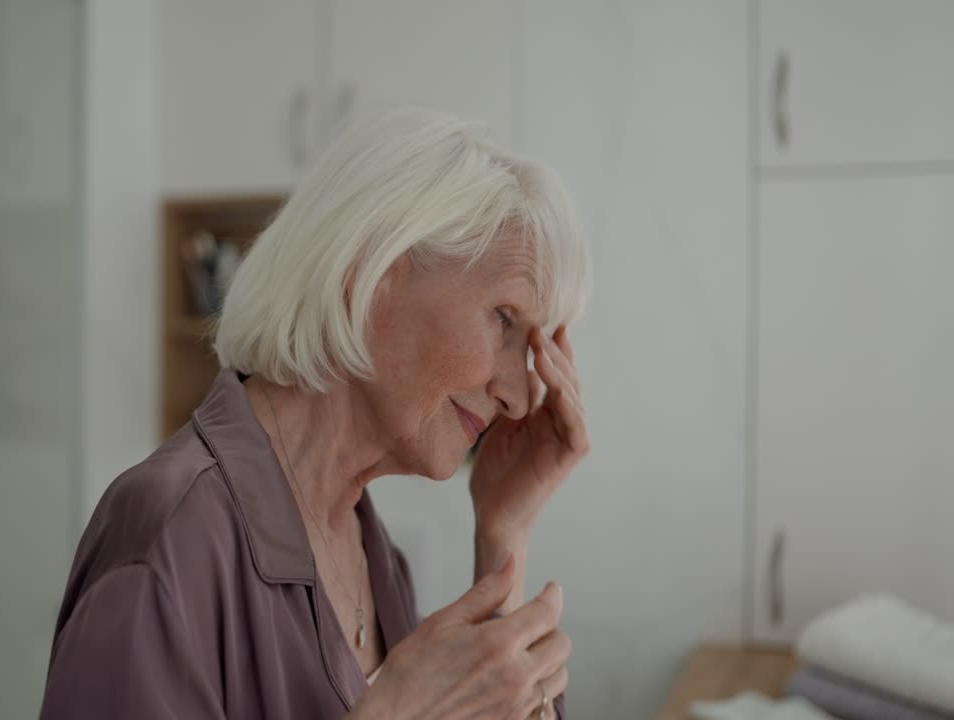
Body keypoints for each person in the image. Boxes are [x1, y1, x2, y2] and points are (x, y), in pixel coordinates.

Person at [41, 108, 591, 719]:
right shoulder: (168, 537)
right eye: (504, 319)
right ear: (371, 272)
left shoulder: (376, 561)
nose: (520, 395)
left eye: (536, 346)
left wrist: (502, 531)